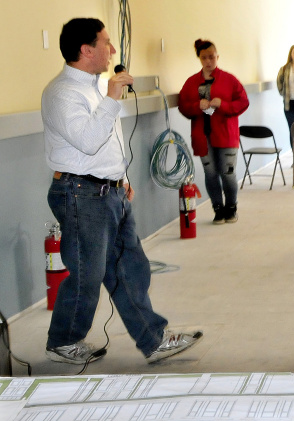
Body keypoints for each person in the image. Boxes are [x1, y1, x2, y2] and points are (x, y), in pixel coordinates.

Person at [41, 18, 202, 365]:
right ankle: (63, 340)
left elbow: (107, 144)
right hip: (80, 193)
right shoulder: (62, 93)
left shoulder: (96, 88)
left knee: (132, 268)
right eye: (106, 43)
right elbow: (87, 141)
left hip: (108, 192)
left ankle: (154, 339)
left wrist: (120, 178)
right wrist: (113, 98)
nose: (113, 50)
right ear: (86, 50)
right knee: (88, 274)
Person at [178, 39, 249, 224]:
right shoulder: (192, 82)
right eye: (204, 58)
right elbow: (183, 106)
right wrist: (196, 106)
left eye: (211, 57)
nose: (208, 61)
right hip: (202, 135)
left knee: (228, 173)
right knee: (210, 174)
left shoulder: (229, 79)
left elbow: (243, 102)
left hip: (226, 134)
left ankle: (231, 208)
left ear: (217, 57)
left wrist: (223, 105)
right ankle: (218, 209)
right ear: (199, 59)